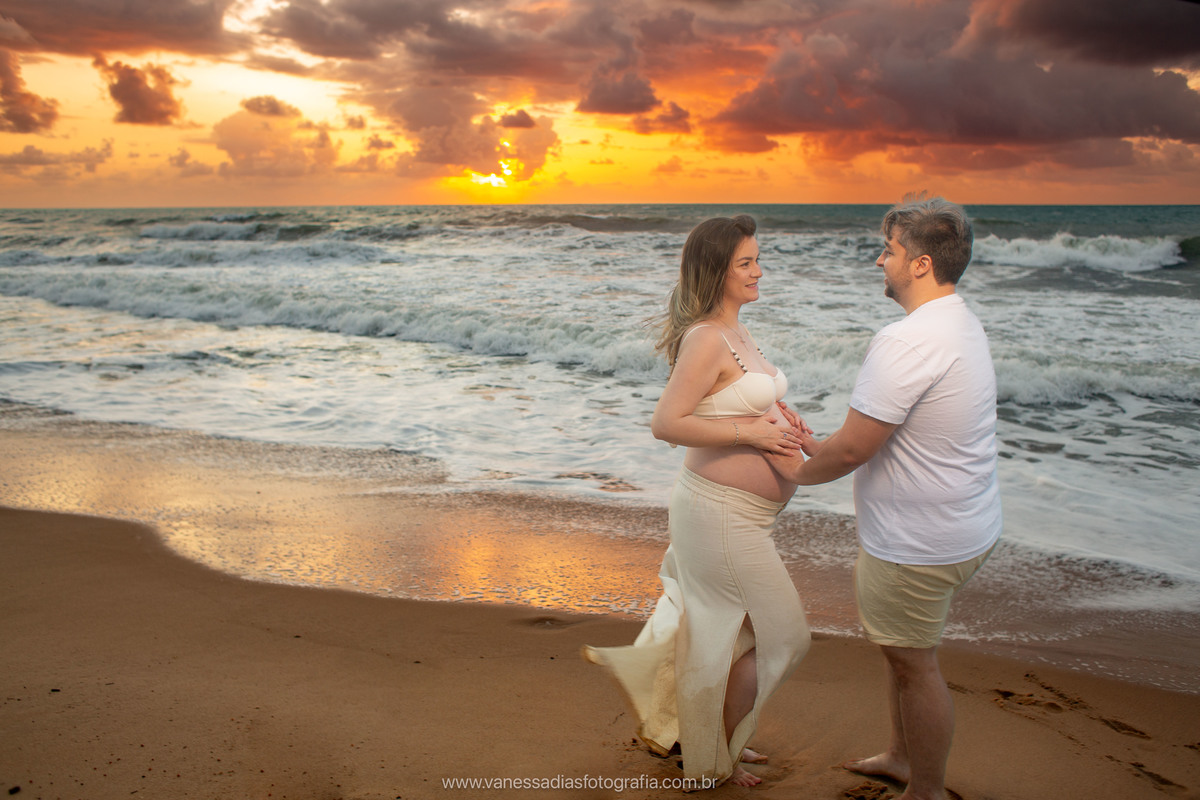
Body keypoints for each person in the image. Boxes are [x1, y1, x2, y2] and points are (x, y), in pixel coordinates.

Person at [767, 195, 1001, 800]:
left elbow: (854, 452)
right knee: (904, 654)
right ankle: (901, 757)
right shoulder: (959, 320)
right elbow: (878, 436)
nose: (880, 261)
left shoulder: (906, 340)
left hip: (916, 545)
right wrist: (818, 443)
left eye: (891, 250)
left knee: (913, 665)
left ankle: (923, 789)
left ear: (920, 264)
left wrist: (796, 469)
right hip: (964, 524)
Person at [583, 215, 811, 789]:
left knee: (736, 636)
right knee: (780, 636)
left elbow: (727, 403)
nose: (758, 271)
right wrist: (753, 435)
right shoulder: (706, 337)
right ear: (716, 271)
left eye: (758, 259)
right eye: (745, 263)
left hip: (743, 516)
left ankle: (717, 741)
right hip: (717, 512)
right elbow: (667, 422)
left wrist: (782, 417)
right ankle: (709, 763)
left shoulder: (737, 332)